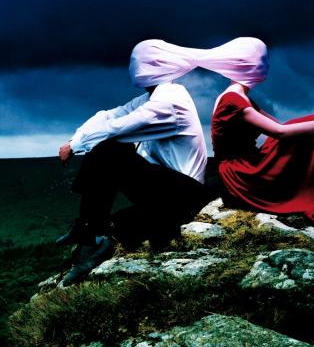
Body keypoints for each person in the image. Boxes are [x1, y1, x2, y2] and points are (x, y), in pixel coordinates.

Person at [57, 39, 210, 283]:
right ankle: (88, 234)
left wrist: (76, 146)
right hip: (167, 190)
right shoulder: (152, 97)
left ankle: (88, 229)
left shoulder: (170, 98)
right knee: (112, 224)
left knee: (110, 149)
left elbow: (118, 128)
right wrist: (74, 139)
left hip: (184, 193)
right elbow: (107, 116)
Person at [209, 37, 314, 238]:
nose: (267, 65)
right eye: (263, 60)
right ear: (248, 64)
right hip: (241, 174)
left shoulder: (240, 97)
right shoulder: (232, 100)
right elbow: (280, 132)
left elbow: (284, 127)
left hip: (248, 165)